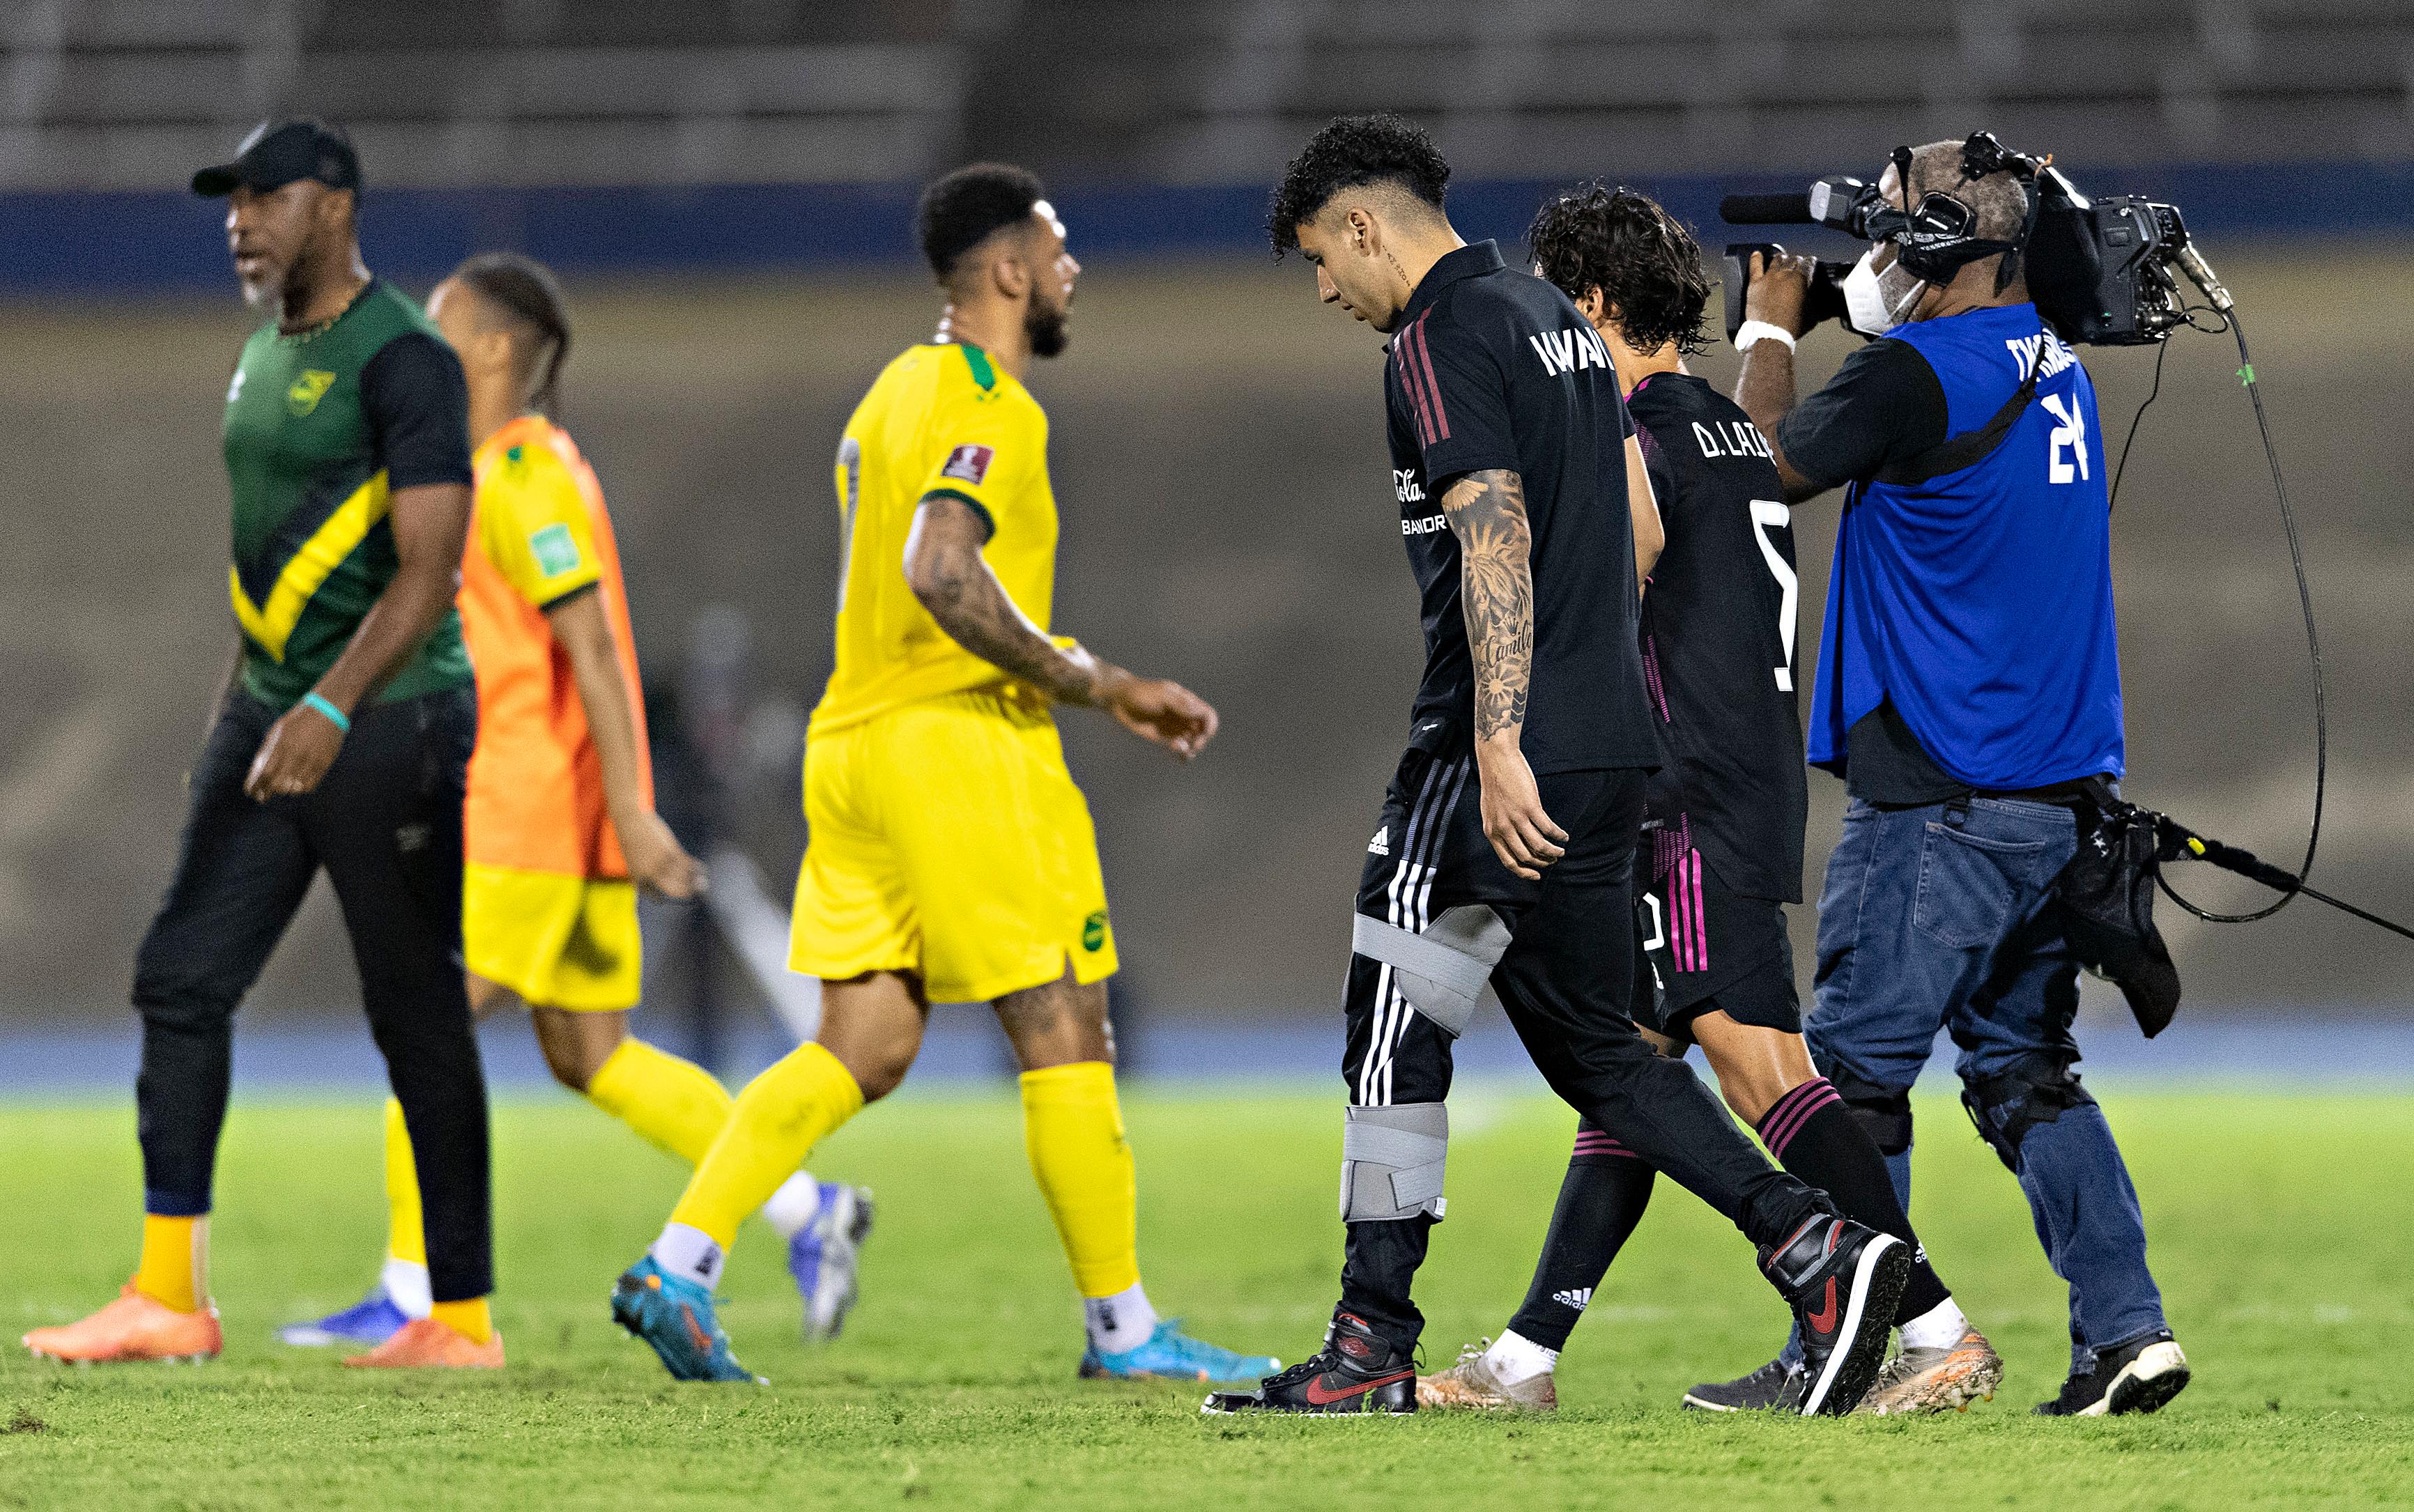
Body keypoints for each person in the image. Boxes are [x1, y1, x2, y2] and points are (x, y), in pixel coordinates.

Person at [1206, 116, 1907, 1420]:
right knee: (1601, 1048)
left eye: (1318, 256)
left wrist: (1493, 741)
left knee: (1387, 1028)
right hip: (1611, 754)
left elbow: (1496, 531)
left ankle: (1371, 1335)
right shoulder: (1559, 324)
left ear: (1365, 225)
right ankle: (1822, 1248)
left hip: (1495, 753)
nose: (1322, 288)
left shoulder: (1436, 337)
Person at [608, 163, 1278, 1387]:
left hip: (850, 746)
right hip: (958, 743)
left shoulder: (886, 395)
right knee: (1067, 1017)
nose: (1072, 268)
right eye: (1059, 245)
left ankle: (680, 1262)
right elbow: (941, 566)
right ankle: (1126, 1333)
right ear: (1010, 268)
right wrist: (1097, 680)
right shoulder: (993, 404)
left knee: (860, 1041)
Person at [1417, 184, 2001, 1417]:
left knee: (1751, 1063)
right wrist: (1771, 341)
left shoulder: (1628, 430)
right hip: (1739, 773)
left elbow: (1619, 552)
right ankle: (1525, 1359)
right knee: (1629, 1062)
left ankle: (1939, 1327)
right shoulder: (1728, 430)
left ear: (1589, 307)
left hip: (1679, 784)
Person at [276, 253, 874, 1354]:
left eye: (444, 319)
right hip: (558, 814)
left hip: (536, 813)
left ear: (495, 349)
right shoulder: (497, 467)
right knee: (592, 1053)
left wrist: (637, 810)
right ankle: (808, 1208)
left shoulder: (529, 478)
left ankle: (426, 1301)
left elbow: (594, 651)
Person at [22, 120, 501, 1368]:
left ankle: (459, 1320)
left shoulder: (406, 357)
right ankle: (171, 1296)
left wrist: (329, 708)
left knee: (415, 1015)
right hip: (276, 716)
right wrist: (240, 710)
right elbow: (272, 565)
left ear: (334, 207)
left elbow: (430, 569)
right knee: (181, 977)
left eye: (263, 198)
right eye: (229, 202)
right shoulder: (261, 353)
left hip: (388, 719)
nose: (239, 220)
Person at [1730, 138, 2188, 1417]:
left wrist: (1774, 326)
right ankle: (2125, 1333)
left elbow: (1749, 472)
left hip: (1943, 790)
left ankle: (1863, 1341)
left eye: (1890, 231)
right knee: (2022, 1070)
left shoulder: (1913, 373)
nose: (1871, 252)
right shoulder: (2059, 364)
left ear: (1941, 248)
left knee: (1847, 1081)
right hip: (2056, 796)